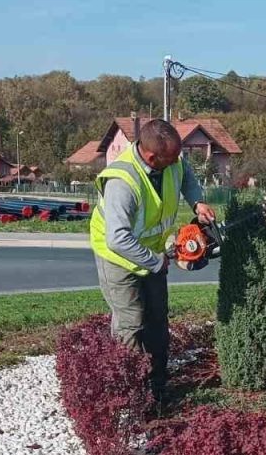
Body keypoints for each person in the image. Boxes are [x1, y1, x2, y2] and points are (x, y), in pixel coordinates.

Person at [89, 119, 216, 399]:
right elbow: (118, 239)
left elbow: (186, 176)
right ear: (150, 156)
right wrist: (156, 261)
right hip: (117, 258)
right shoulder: (122, 182)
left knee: (158, 321)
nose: (176, 163)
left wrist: (197, 201)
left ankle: (158, 387)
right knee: (131, 324)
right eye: (170, 159)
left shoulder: (173, 162)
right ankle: (130, 392)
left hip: (153, 254)